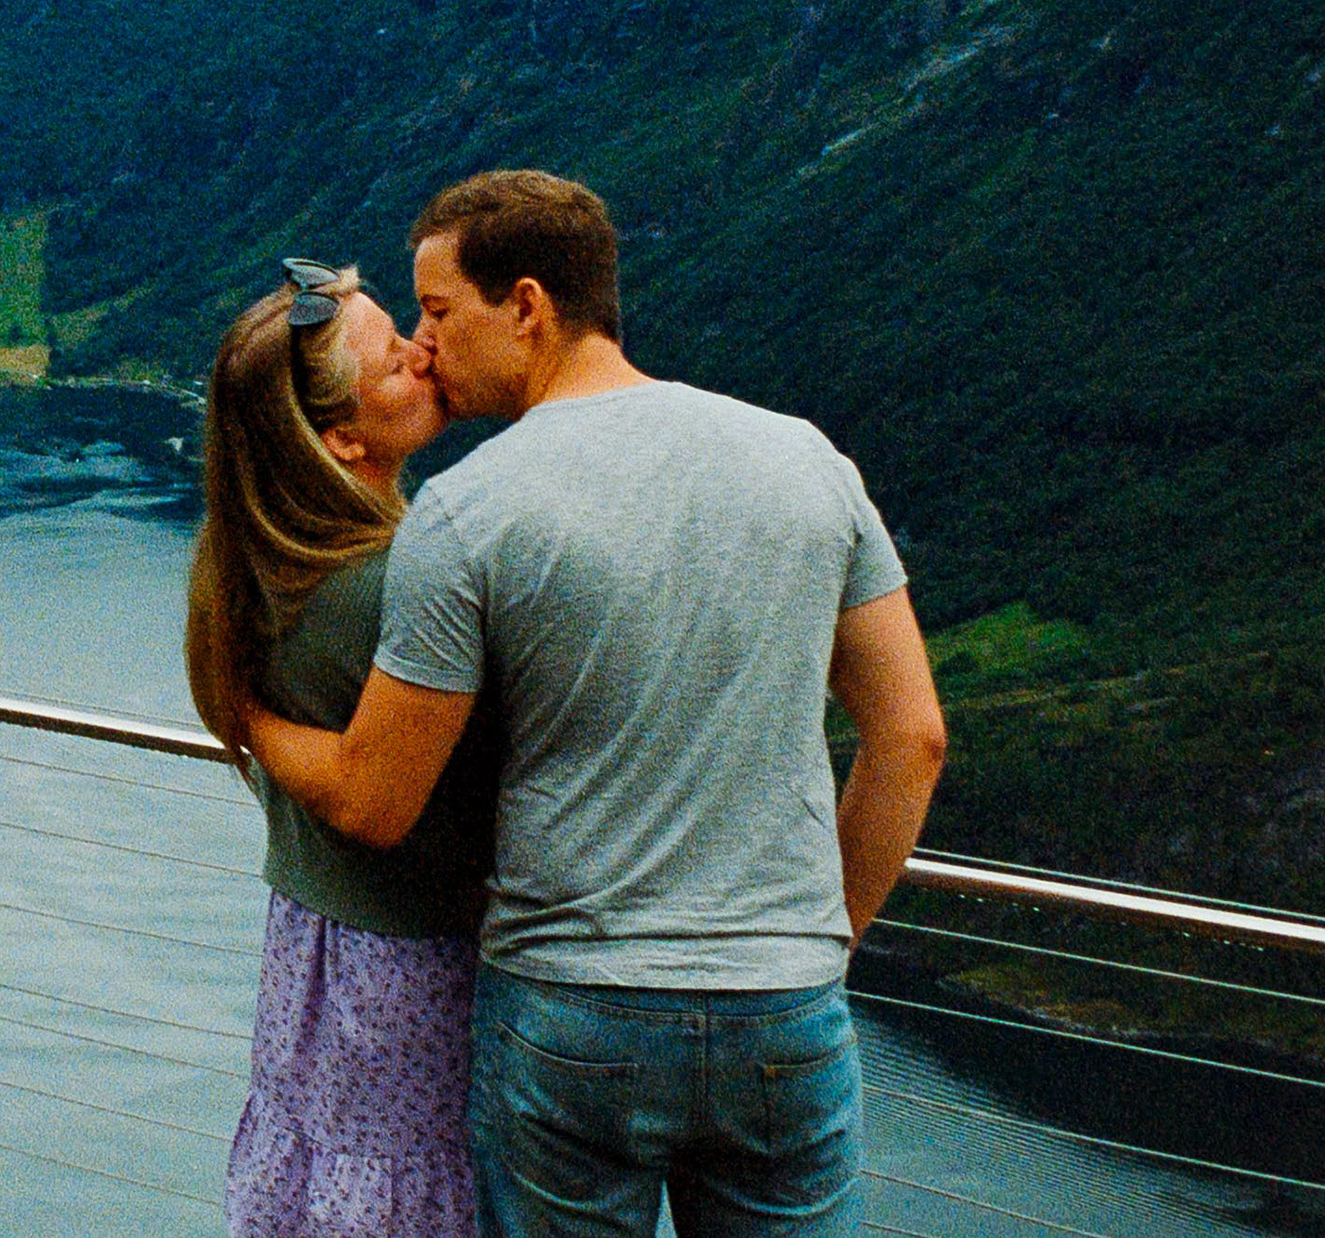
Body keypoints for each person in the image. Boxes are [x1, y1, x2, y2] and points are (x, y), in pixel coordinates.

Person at [246, 171, 947, 1238]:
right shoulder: (807, 459)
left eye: (438, 311)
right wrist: (814, 948)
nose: (424, 345)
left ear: (526, 306)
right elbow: (912, 736)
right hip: (782, 1006)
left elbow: (378, 796)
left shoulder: (466, 513)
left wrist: (246, 712)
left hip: (572, 1009)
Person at [187, 257, 496, 1238]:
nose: (424, 349)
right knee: (404, 1190)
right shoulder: (395, 585)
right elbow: (384, 797)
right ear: (343, 440)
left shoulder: (263, 564)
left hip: (313, 957)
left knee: (323, 1179)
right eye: (394, 359)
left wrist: (248, 719)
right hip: (409, 977)